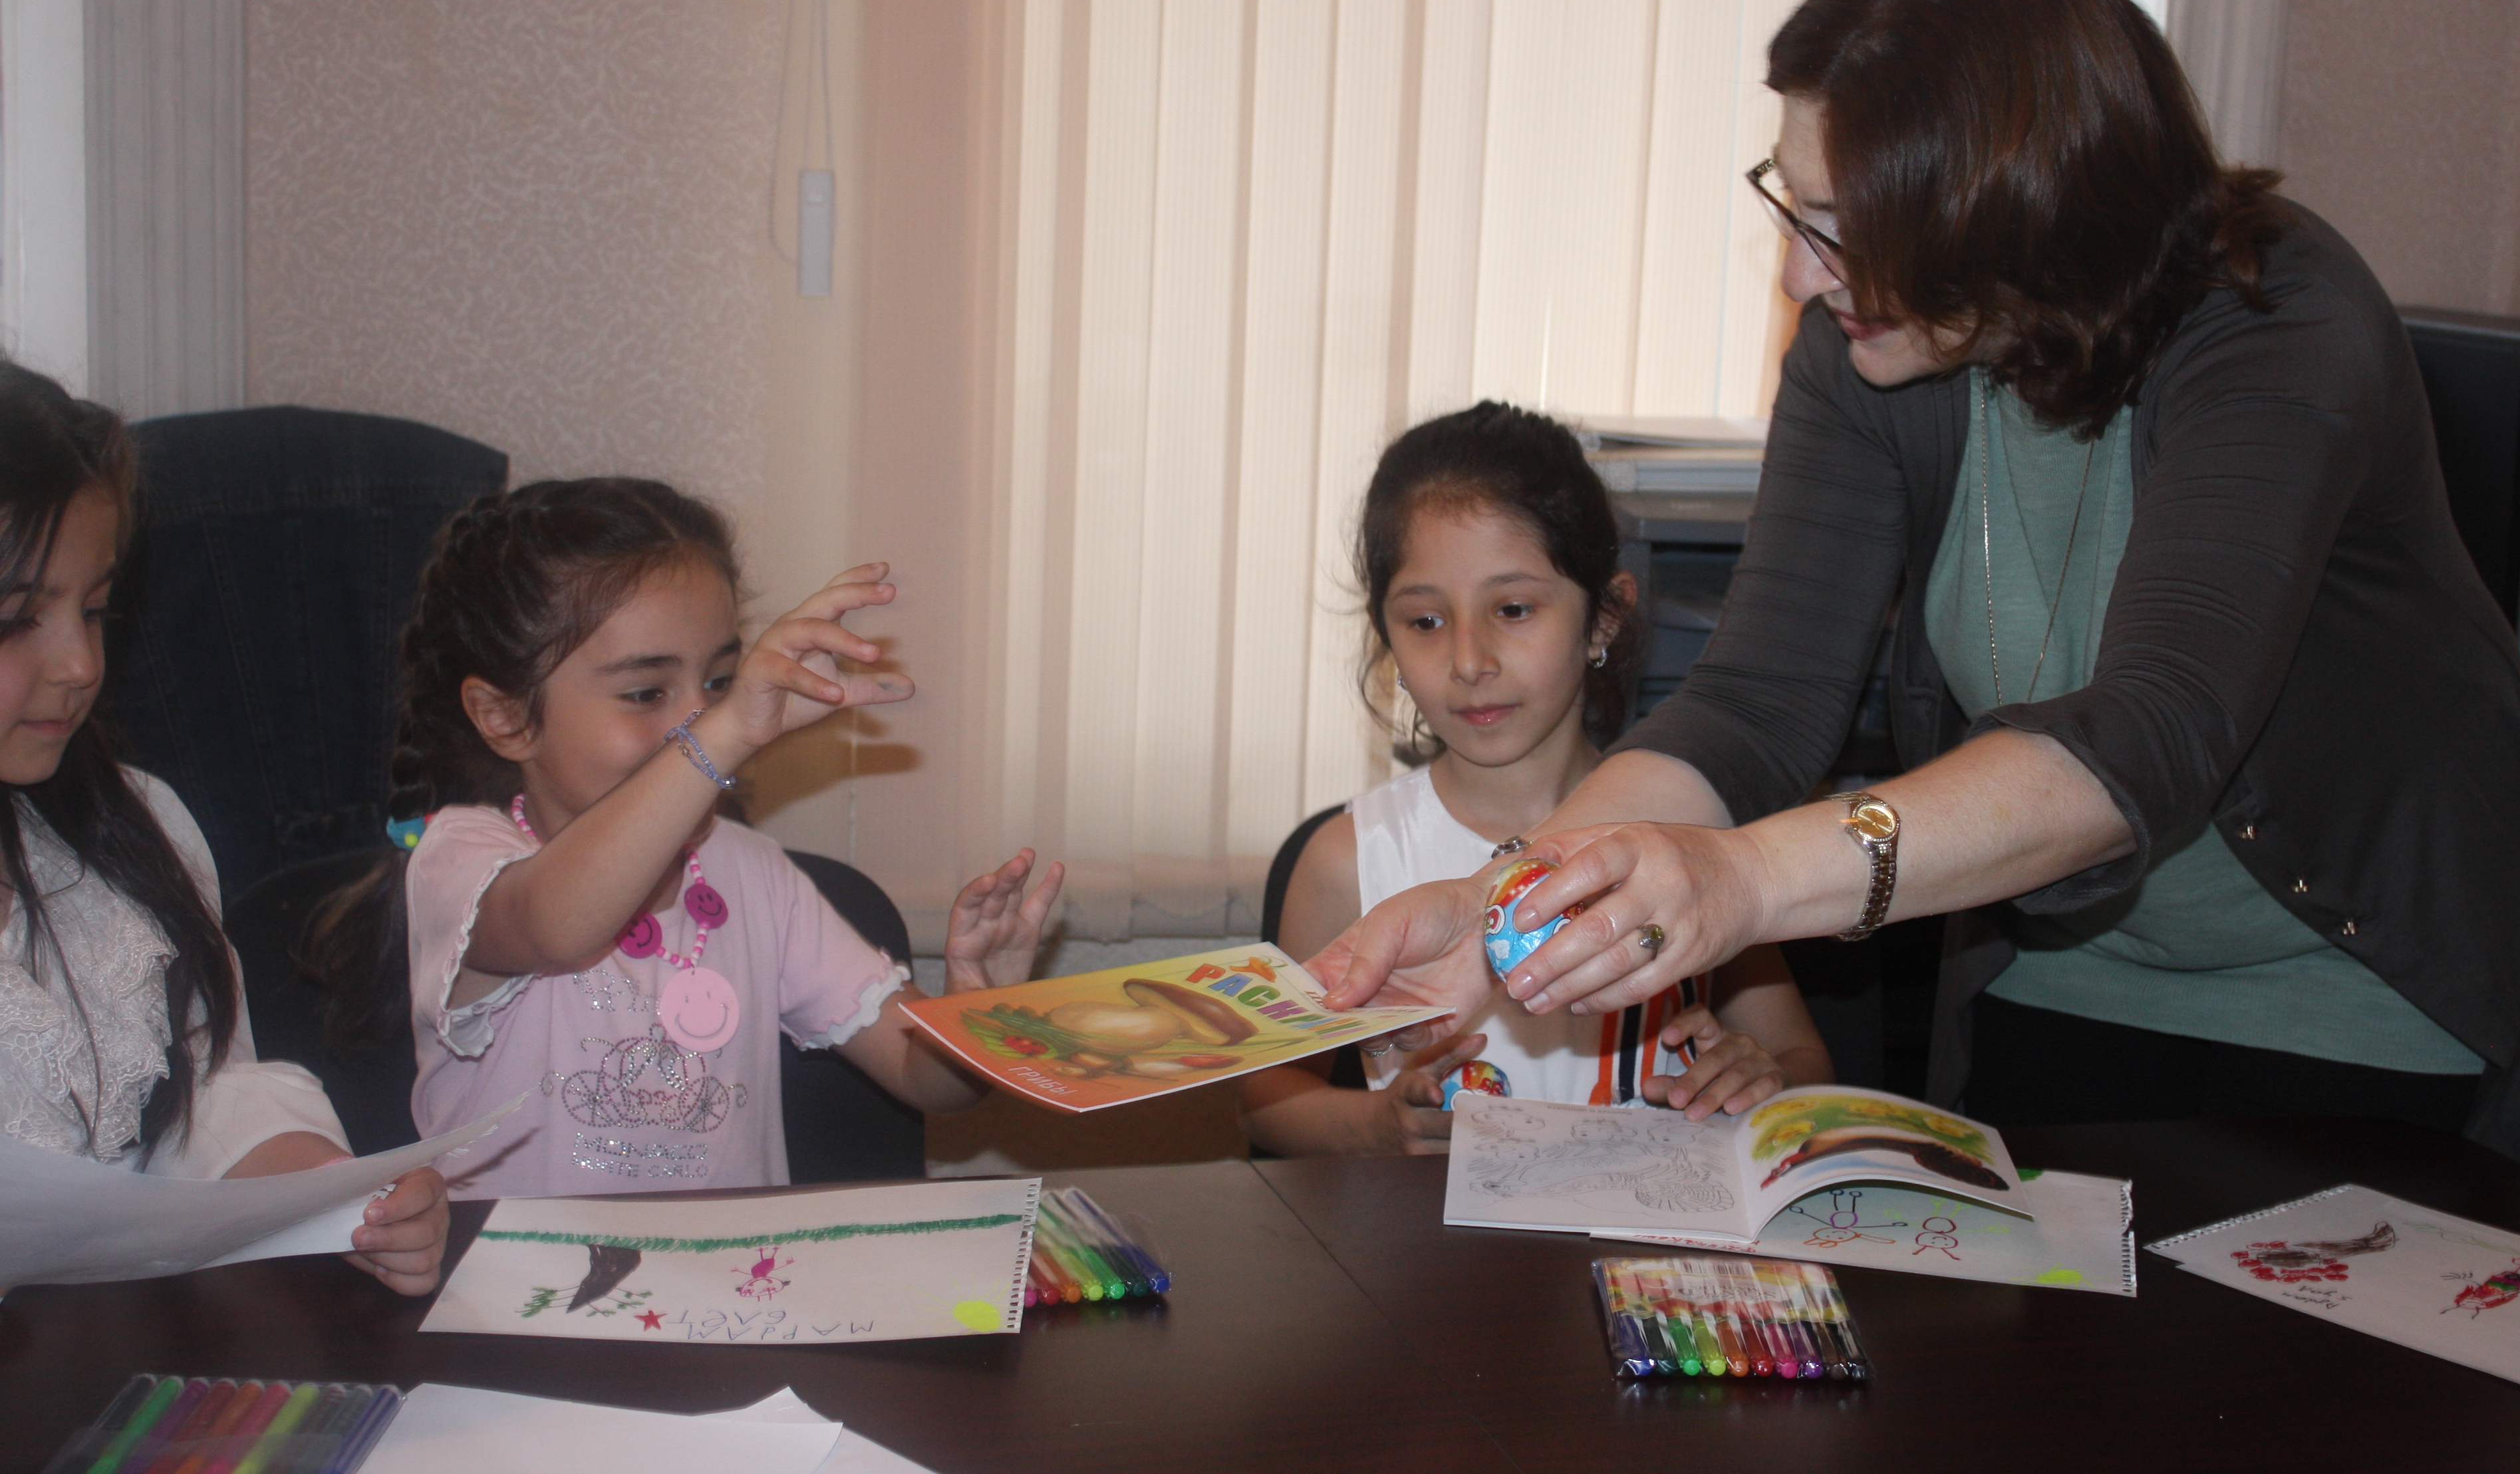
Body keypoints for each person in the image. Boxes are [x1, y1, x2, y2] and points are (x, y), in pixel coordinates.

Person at [1311, 0, 2520, 1158]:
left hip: (2363, 973)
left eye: (1847, 229)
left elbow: (2149, 730)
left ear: (2014, 206)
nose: (1800, 276)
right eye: (1793, 205)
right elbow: (1754, 707)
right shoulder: (1860, 346)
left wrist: (1737, 881)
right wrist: (1504, 899)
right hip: (2075, 960)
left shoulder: (2276, 321)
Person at [310, 478, 1062, 1197]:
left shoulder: (756, 873)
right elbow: (558, 926)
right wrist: (720, 735)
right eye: (646, 693)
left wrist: (979, 1015)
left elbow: (923, 1077)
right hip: (517, 1282)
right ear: (506, 718)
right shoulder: (461, 859)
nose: (699, 718)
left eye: (720, 683)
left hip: (728, 1284)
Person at [1242, 403, 1830, 1155]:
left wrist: (1758, 1077)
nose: (1469, 661)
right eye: (1425, 622)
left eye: (1513, 609)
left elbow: (1803, 1061)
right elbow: (1267, 1105)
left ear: (1604, 617)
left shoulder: (1689, 835)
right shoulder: (1345, 860)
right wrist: (1378, 1124)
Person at [0, 361, 449, 1290]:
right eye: (15, 620)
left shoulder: (128, 832)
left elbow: (199, 1098)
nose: (79, 664)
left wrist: (332, 1193)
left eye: (95, 608)